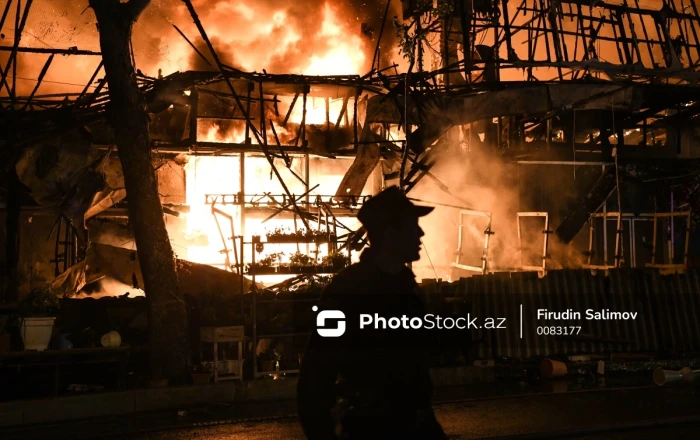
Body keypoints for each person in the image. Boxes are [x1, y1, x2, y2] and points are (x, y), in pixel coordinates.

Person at [297, 186, 447, 440]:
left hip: (417, 425)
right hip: (373, 429)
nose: (420, 233)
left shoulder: (406, 286)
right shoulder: (347, 291)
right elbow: (315, 377)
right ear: (391, 232)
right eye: (413, 225)